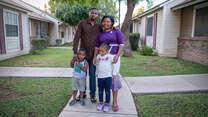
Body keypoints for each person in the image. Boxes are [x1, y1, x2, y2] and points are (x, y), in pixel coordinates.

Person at [93, 16, 124, 112]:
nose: (106, 23)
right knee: (104, 79)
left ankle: (114, 102)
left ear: (112, 23)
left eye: (108, 21)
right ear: (102, 23)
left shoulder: (116, 32)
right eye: (104, 21)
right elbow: (97, 47)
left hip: (114, 58)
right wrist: (95, 57)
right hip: (103, 59)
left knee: (114, 78)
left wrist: (117, 56)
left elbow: (121, 45)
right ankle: (103, 101)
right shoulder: (100, 34)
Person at [72, 8, 100, 102]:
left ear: (97, 16)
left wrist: (114, 28)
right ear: (89, 14)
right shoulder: (82, 23)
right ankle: (82, 94)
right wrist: (75, 53)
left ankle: (92, 95)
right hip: (82, 55)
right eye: (92, 12)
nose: (93, 14)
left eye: (96, 13)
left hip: (93, 55)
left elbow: (107, 30)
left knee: (92, 76)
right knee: (82, 76)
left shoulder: (98, 26)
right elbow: (76, 38)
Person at [96, 43, 118, 112]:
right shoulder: (98, 56)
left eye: (103, 51)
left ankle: (107, 104)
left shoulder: (110, 56)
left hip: (108, 77)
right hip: (100, 77)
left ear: (107, 51)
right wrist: (96, 72)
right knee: (100, 91)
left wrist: (114, 73)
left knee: (107, 91)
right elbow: (97, 65)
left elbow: (115, 65)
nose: (101, 52)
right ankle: (101, 103)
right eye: (100, 51)